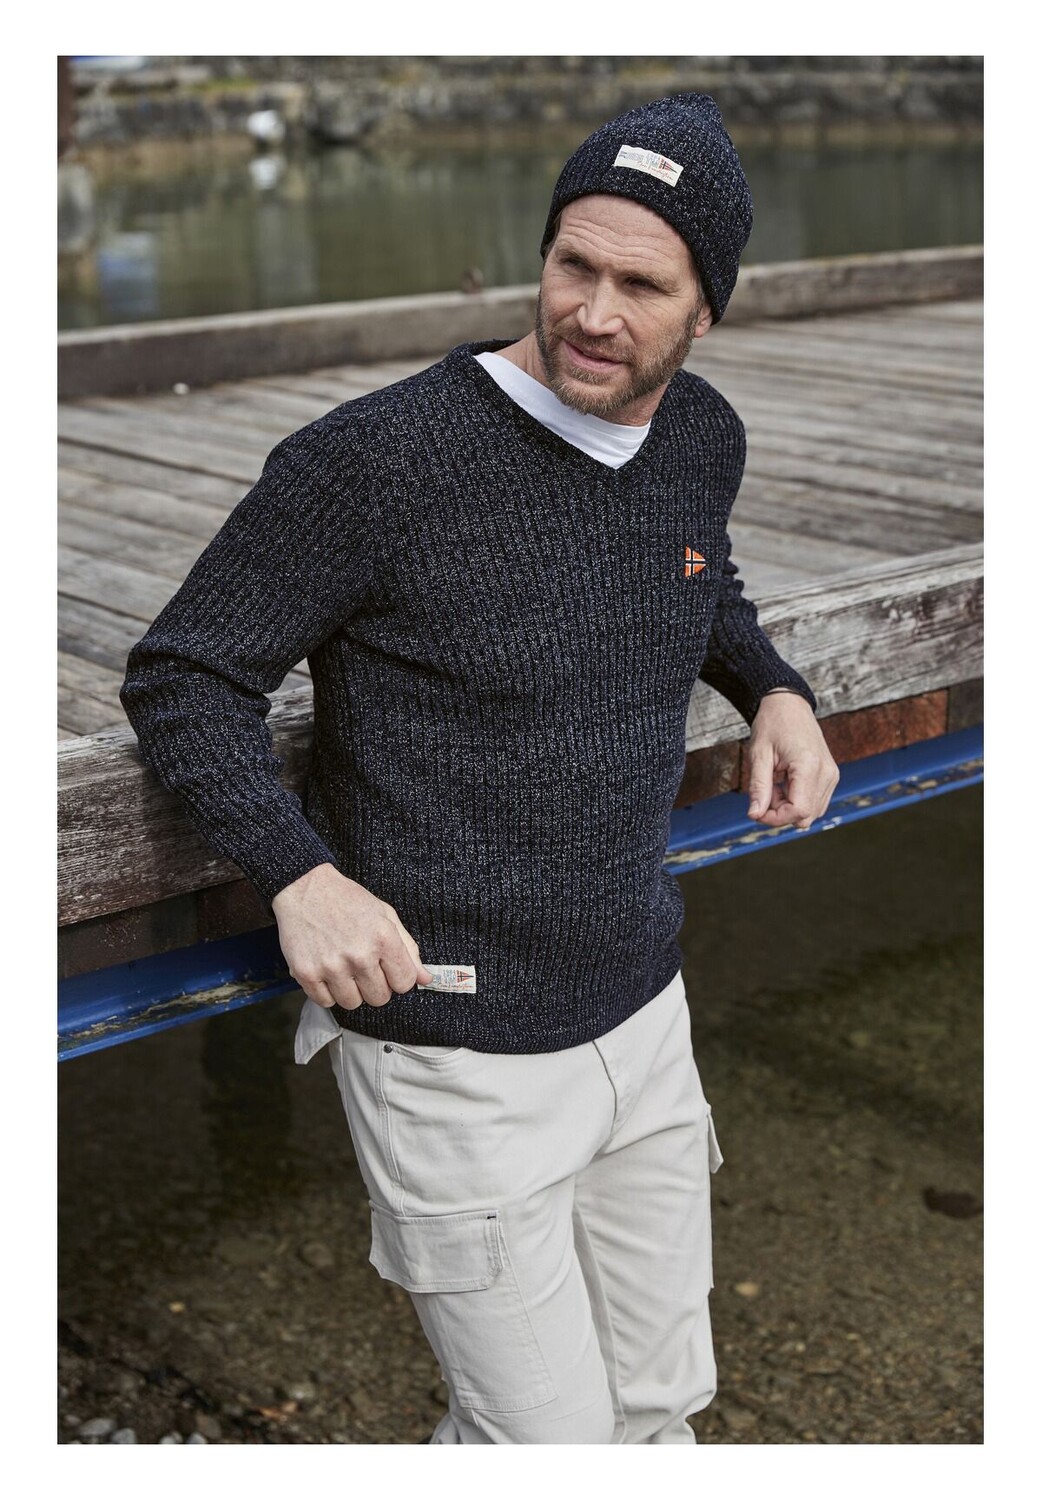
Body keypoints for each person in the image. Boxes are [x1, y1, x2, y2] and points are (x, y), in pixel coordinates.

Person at [120, 93, 839, 1445]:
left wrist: (774, 686)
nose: (593, 313)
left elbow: (698, 575)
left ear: (707, 309)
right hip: (450, 1047)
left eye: (642, 286)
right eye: (574, 264)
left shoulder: (701, 435)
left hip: (643, 1007)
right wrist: (299, 874)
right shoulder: (374, 462)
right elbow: (185, 674)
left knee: (661, 1413)